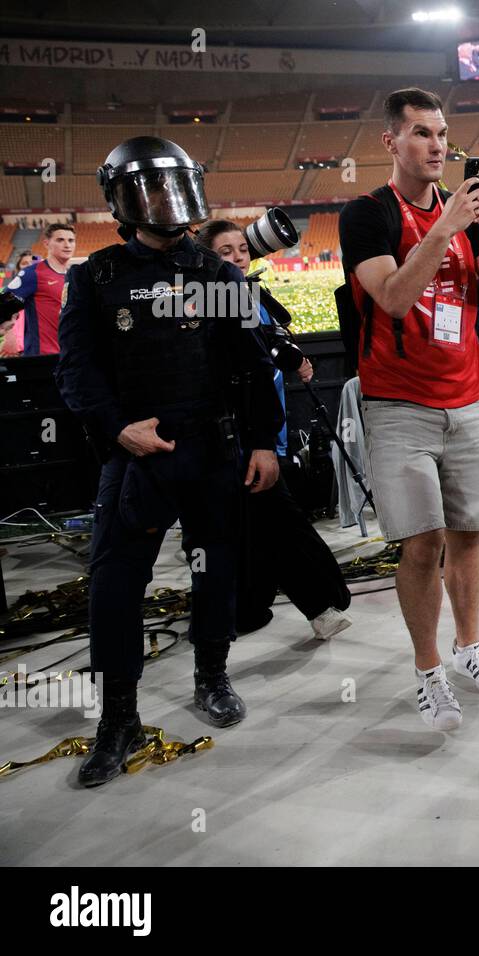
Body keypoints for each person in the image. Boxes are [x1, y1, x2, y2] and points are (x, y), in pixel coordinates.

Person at [55, 136, 283, 787]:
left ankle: (212, 675)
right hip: (135, 461)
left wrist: (265, 441)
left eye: (173, 184)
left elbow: (254, 363)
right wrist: (118, 428)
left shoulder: (218, 275)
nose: (166, 200)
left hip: (212, 453)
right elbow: (77, 372)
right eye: (152, 187)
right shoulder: (96, 277)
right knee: (115, 590)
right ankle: (118, 718)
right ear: (126, 200)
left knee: (214, 574)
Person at [339, 88, 479, 731]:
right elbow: (390, 297)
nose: (437, 145)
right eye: (420, 133)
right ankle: (428, 669)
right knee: (422, 544)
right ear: (391, 141)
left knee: (470, 535)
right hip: (397, 406)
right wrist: (446, 227)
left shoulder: (467, 211)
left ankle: (471, 647)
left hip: (466, 398)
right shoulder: (366, 214)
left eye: (442, 133)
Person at [195, 219, 354, 641]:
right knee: (283, 522)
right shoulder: (210, 301)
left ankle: (246, 610)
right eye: (224, 252)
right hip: (241, 438)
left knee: (255, 527)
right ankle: (324, 602)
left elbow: (273, 347)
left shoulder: (252, 294)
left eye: (240, 249)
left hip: (270, 432)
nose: (236, 257)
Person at [1, 223, 76, 356]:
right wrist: (9, 331)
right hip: (43, 356)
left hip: (69, 355)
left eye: (71, 240)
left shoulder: (73, 276)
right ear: (46, 244)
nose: (67, 245)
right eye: (60, 240)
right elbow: (4, 301)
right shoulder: (33, 273)